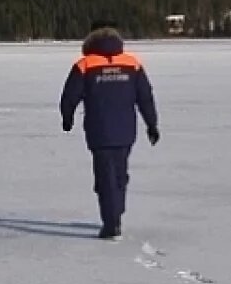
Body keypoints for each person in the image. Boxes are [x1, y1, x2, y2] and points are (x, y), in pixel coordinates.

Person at [60, 21, 160, 240]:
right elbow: (145, 97)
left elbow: (69, 96)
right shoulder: (132, 63)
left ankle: (111, 222)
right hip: (126, 132)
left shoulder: (85, 65)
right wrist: (152, 124)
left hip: (99, 131)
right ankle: (116, 214)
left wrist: (67, 119)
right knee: (119, 175)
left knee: (105, 178)